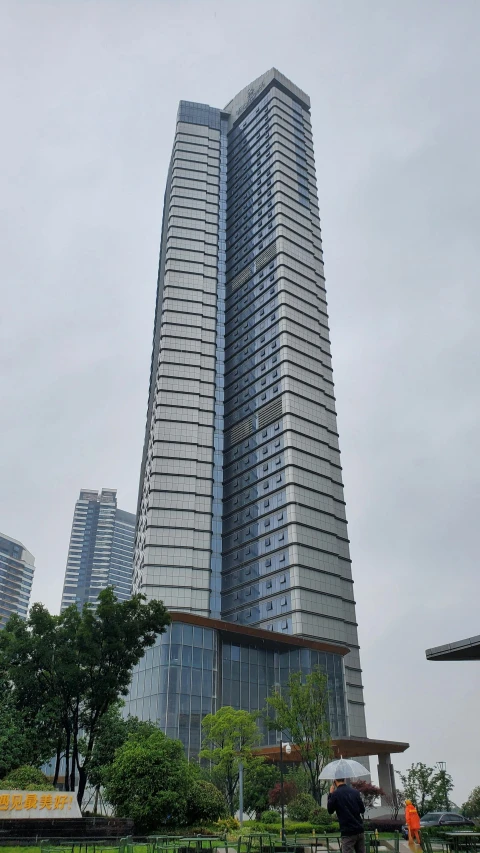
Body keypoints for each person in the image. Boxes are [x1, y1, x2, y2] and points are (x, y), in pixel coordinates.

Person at [327, 778, 366, 853]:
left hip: (348, 832)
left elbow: (330, 810)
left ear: (334, 781)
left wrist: (330, 794)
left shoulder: (335, 794)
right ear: (344, 780)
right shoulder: (355, 792)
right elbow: (362, 810)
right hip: (360, 830)